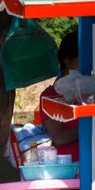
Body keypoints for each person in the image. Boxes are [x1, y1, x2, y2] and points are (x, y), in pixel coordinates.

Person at [35, 30, 81, 161]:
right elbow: (59, 138)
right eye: (82, 58)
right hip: (69, 167)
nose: (88, 64)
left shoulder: (94, 90)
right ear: (67, 60)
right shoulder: (50, 95)